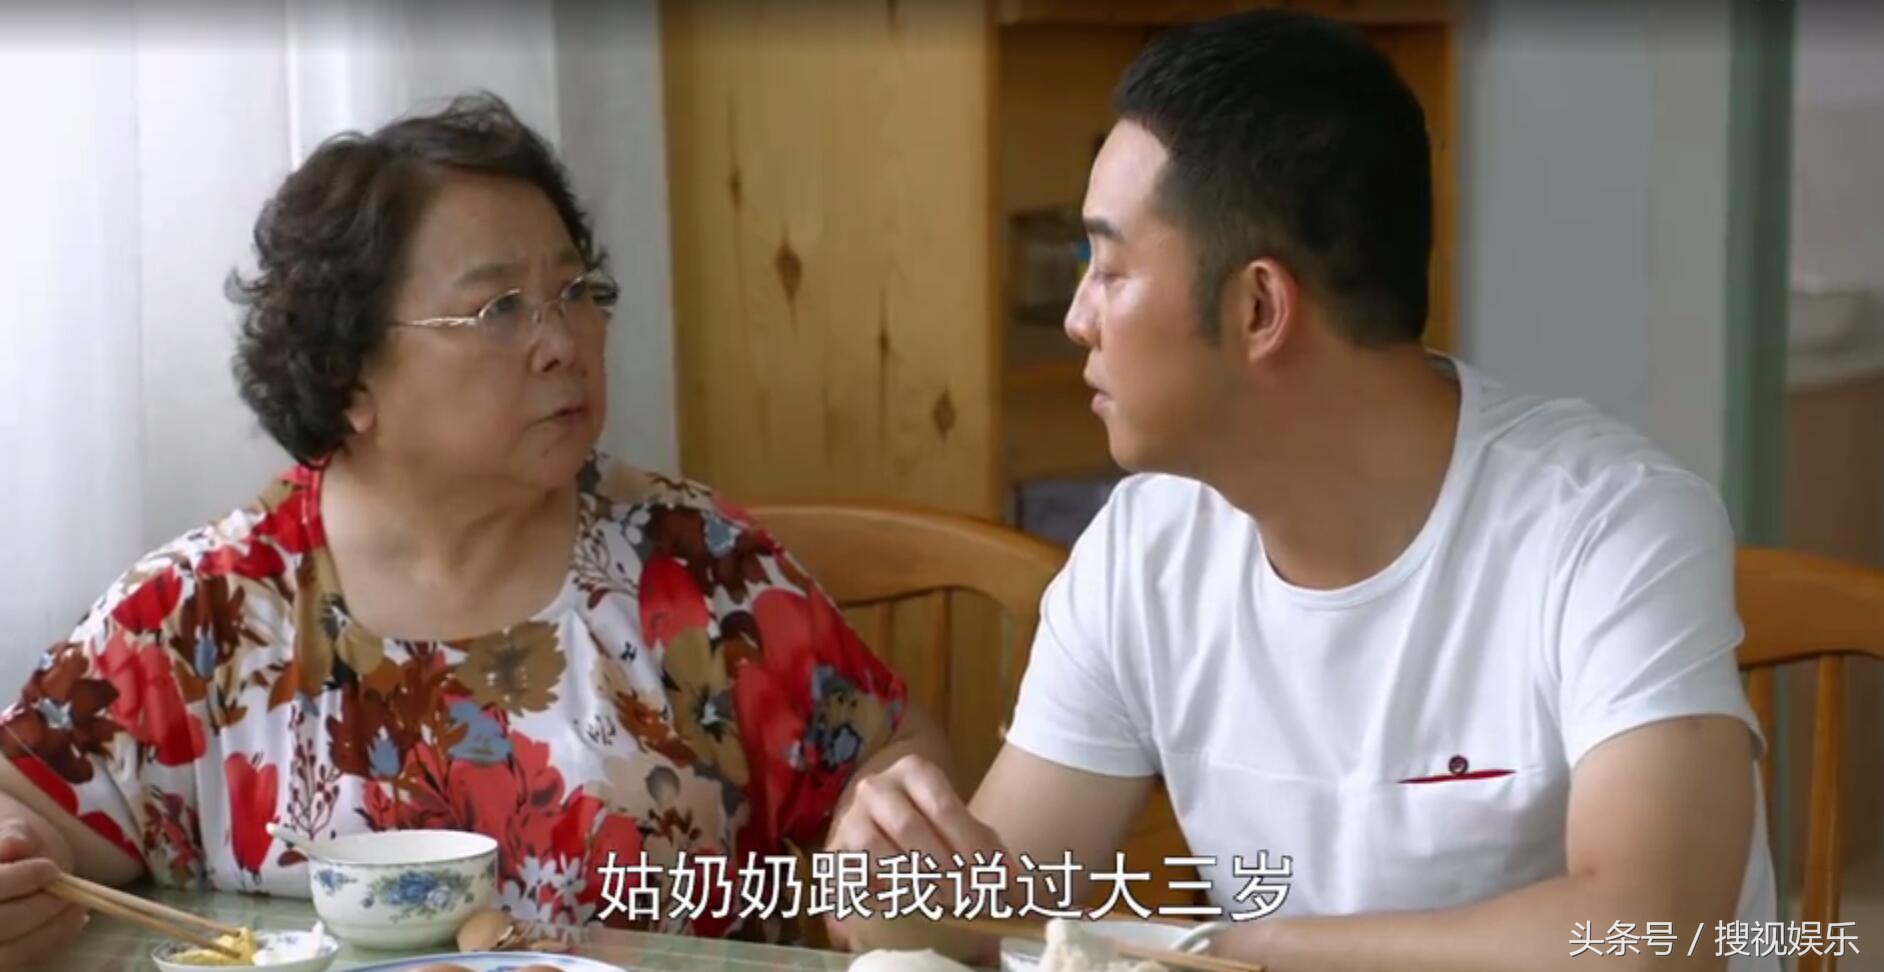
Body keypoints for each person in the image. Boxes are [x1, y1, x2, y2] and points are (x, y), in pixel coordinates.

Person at [828, 11, 1777, 972]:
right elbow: (996, 914)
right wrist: (893, 886)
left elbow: (1654, 935)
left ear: (1258, 307)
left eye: (1109, 269)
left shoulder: (1610, 524)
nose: (1077, 318)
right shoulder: (1142, 550)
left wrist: (1231, 950)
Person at [0, 92, 951, 964]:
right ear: (347, 373)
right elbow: (26, 810)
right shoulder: (205, 614)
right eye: (499, 309)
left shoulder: (698, 571)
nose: (562, 343)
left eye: (575, 292)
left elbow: (891, 770)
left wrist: (893, 857)